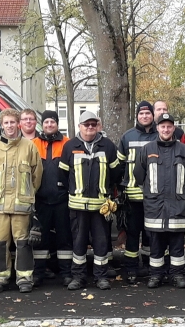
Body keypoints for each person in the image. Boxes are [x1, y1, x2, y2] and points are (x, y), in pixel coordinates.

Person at [61, 111, 123, 290]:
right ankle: (78, 277)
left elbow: (116, 173)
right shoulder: (70, 146)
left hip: (100, 207)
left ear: (98, 126)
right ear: (79, 126)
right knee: (78, 243)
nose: (90, 127)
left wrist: (107, 192)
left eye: (93, 124)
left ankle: (101, 277)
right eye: (86, 124)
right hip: (78, 207)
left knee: (101, 243)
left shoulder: (108, 146)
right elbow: (64, 174)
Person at [132, 112, 185, 288]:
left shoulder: (184, 150)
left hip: (178, 204)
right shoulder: (147, 149)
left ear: (173, 128)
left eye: (169, 126)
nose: (166, 129)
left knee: (177, 243)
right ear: (157, 128)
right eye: (162, 126)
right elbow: (139, 175)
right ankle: (155, 275)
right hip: (155, 205)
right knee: (155, 244)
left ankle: (177, 275)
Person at [0, 108, 43, 293]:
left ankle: (24, 278)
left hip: (22, 206)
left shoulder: (29, 147)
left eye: (12, 122)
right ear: (1, 125)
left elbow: (37, 174)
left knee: (23, 243)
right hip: (0, 206)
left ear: (18, 123)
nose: (9, 126)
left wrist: (27, 194)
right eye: (6, 123)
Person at [117, 101, 158, 280]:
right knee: (133, 233)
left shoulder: (161, 135)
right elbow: (119, 166)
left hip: (155, 197)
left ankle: (150, 266)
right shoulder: (127, 137)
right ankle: (131, 269)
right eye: (141, 114)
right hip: (132, 197)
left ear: (152, 115)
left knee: (152, 234)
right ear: (137, 116)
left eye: (147, 113)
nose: (144, 117)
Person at [34, 110, 71, 284]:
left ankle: (66, 273)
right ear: (42, 124)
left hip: (62, 200)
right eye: (46, 122)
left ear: (57, 124)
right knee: (41, 239)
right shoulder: (33, 144)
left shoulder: (68, 143)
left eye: (52, 122)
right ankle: (38, 273)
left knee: (64, 238)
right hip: (41, 200)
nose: (49, 125)